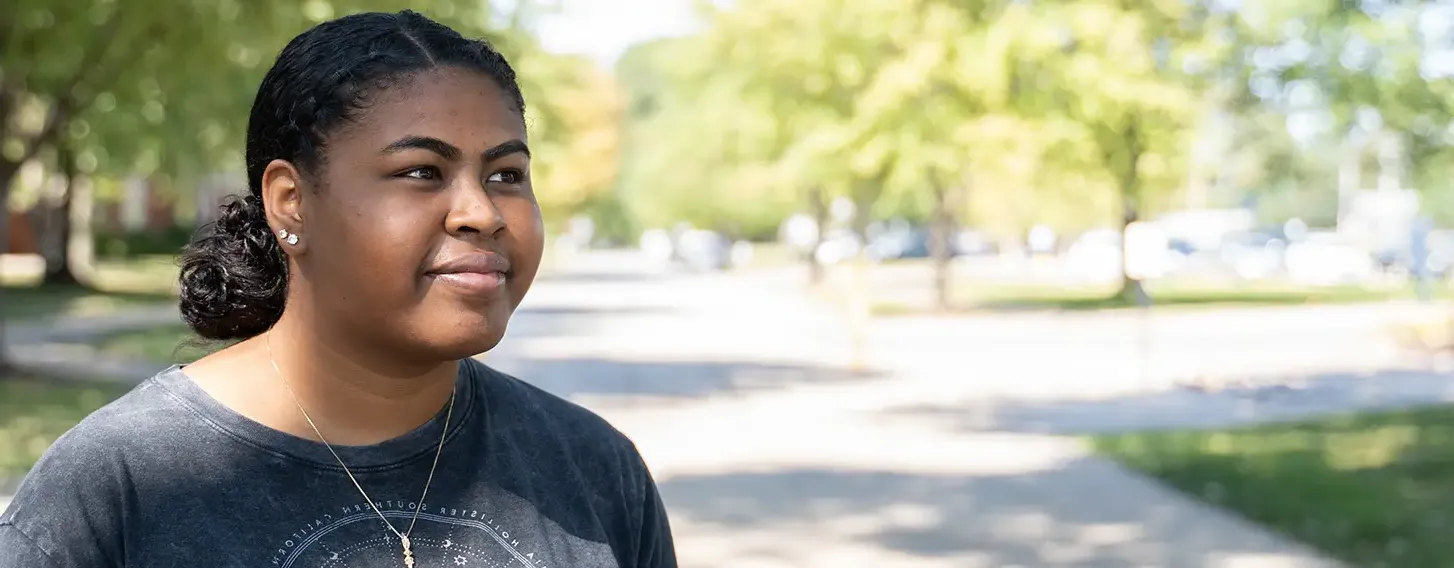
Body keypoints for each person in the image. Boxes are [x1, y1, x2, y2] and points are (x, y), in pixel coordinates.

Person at [0, 10, 676, 568]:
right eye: (420, 172)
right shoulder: (117, 487)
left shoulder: (593, 469)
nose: (483, 212)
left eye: (505, 175)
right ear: (291, 201)